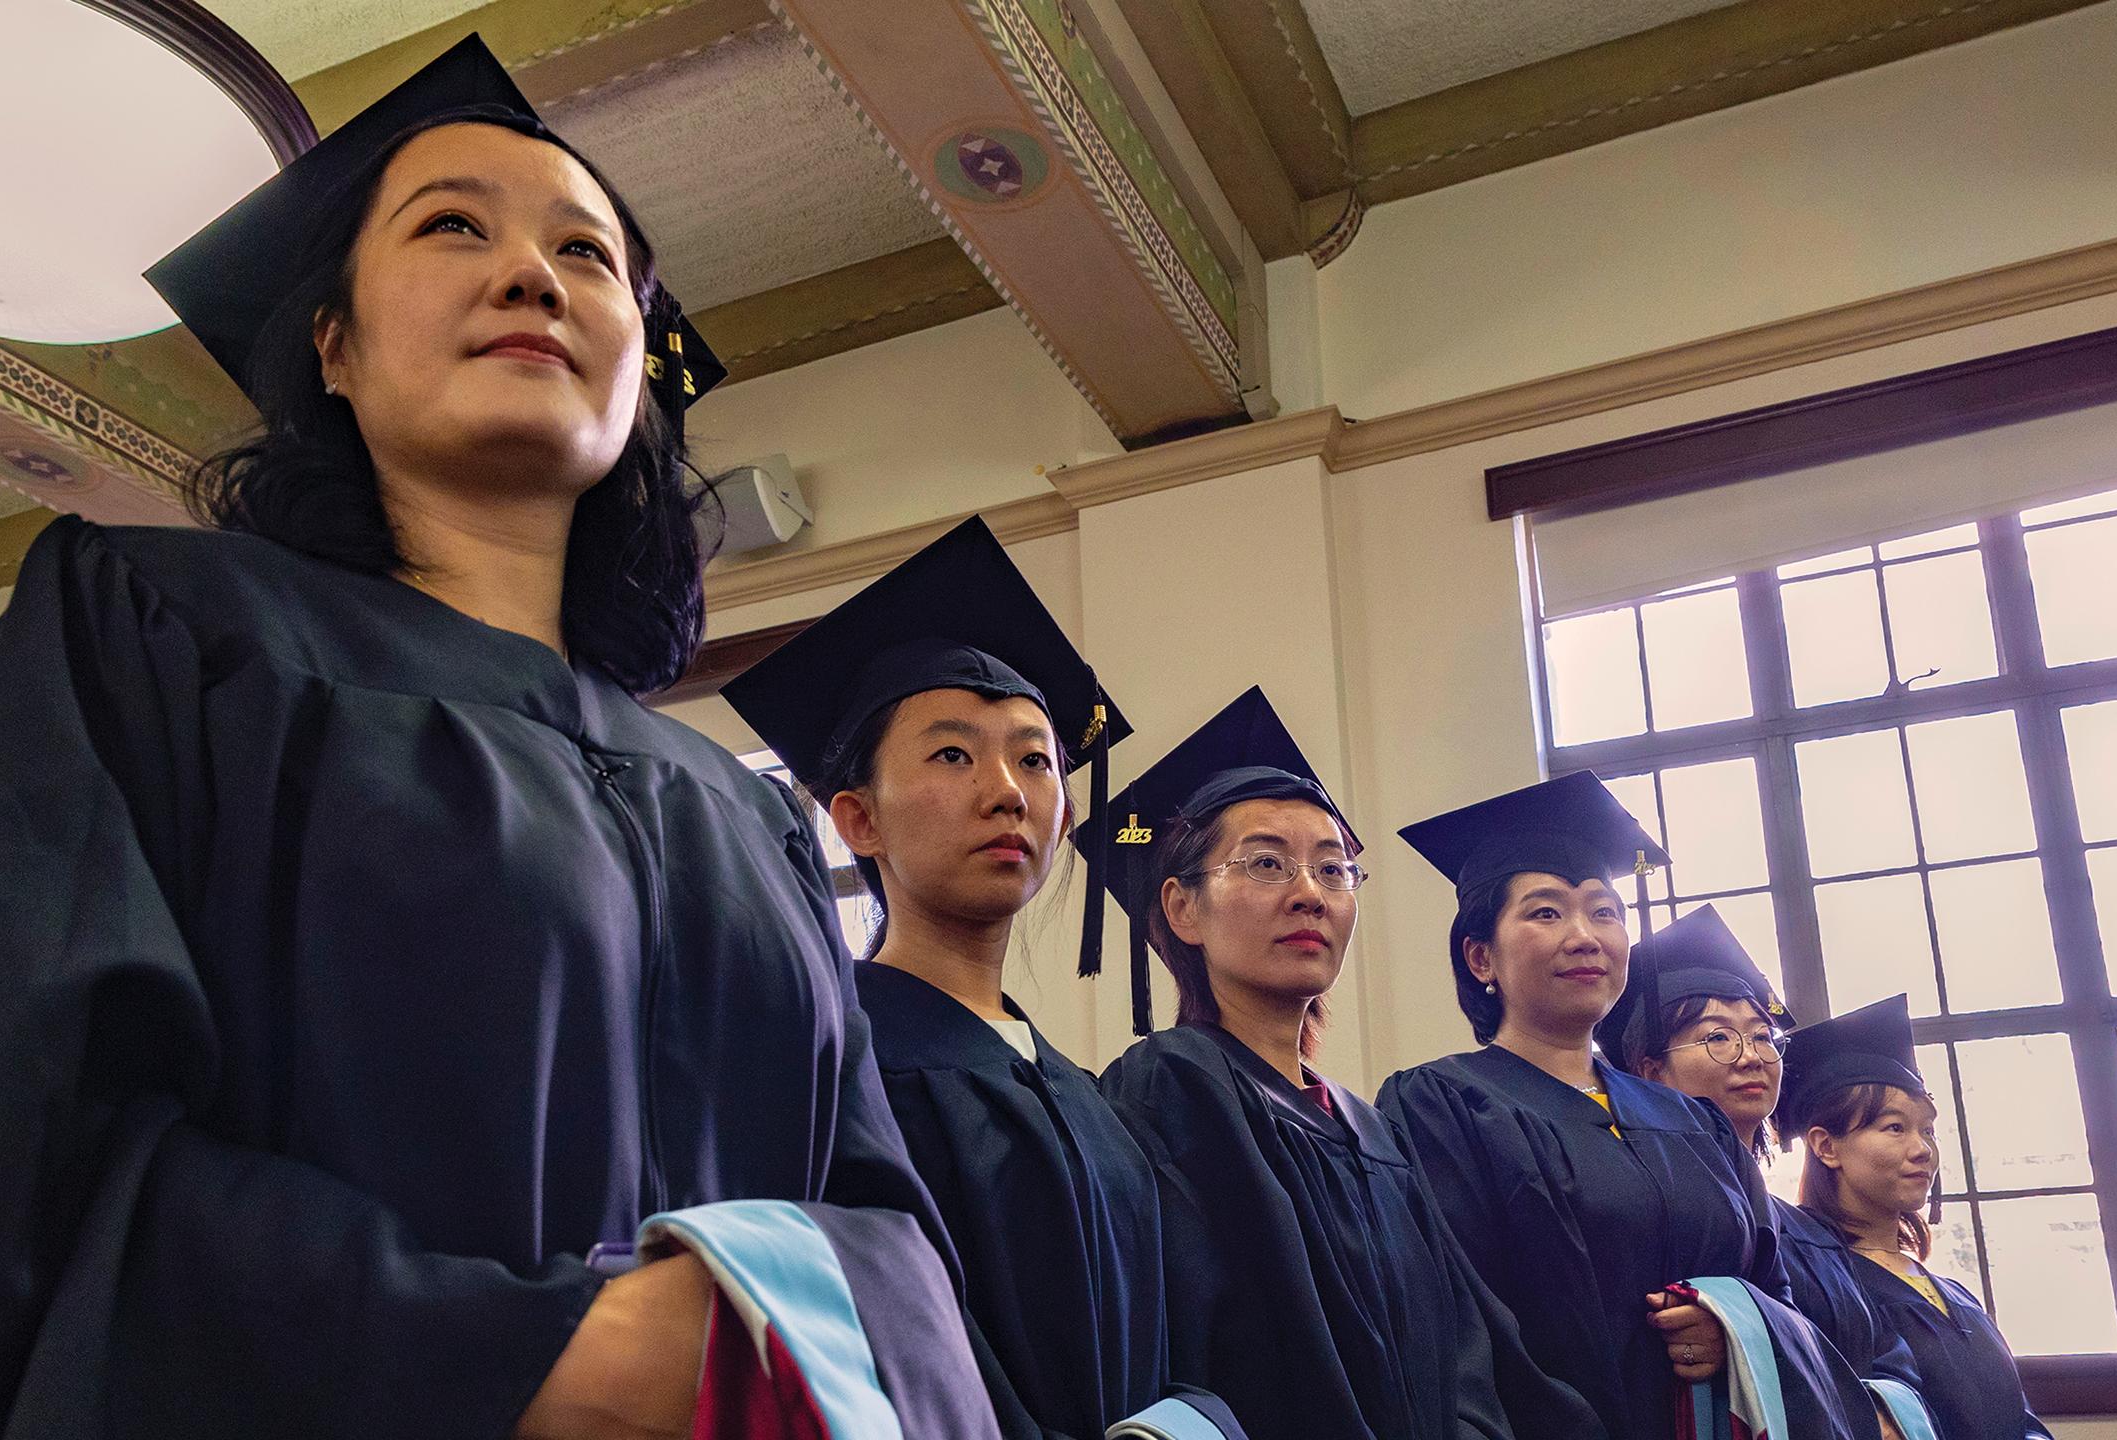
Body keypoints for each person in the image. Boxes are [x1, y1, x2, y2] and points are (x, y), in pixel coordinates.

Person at [0, 37, 973, 1440]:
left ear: (638, 369)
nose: (531, 274)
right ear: (330, 342)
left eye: (586, 256)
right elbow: (17, 1137)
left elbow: (880, 1229)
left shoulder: (745, 815)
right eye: (455, 226)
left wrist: (770, 1327)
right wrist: (525, 1354)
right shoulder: (168, 630)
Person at [725, 516, 1235, 1439]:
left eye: (1034, 758)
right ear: (857, 820)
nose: (1007, 789)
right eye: (953, 754)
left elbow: (1186, 1340)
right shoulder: (830, 1068)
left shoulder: (1086, 1098)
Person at [1088, 690, 1597, 1440]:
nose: (1309, 895)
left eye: (1334, 870)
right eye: (1266, 863)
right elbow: (1190, 1345)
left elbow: (1464, 1348)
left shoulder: (1368, 1127)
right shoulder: (1169, 1086)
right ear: (1182, 909)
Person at [1380, 773, 1871, 1440]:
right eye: (1546, 912)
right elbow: (1455, 1326)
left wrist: (1734, 1328)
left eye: (1604, 911)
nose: (1585, 936)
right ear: (1480, 956)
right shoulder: (1442, 1107)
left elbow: (1775, 1291)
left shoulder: (1695, 1122)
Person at [1601, 907, 1929, 1437]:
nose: (1751, 1057)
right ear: (1649, 1070)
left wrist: (1886, 1416)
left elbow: (1889, 1358)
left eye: (1761, 1037)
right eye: (1718, 1038)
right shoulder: (1638, 1214)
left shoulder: (1814, 1235)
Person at [1779, 997, 2053, 1440]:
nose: (1923, 1149)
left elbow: (2019, 1418)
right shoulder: (1814, 1286)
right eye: (1894, 1128)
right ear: (1826, 1147)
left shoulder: (1954, 1293)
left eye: (1927, 1129)